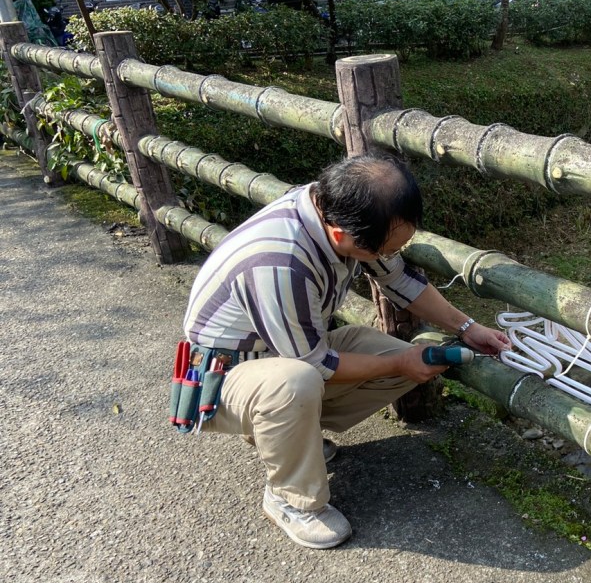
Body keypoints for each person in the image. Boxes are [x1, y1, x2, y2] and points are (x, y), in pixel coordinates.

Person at [181, 155, 511, 549]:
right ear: (343, 237)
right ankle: (291, 499)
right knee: (296, 383)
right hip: (216, 381)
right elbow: (314, 364)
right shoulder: (280, 262)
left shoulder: (346, 210)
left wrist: (467, 328)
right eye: (389, 247)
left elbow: (401, 280)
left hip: (278, 354)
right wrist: (400, 362)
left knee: (384, 353)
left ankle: (285, 436)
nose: (396, 252)